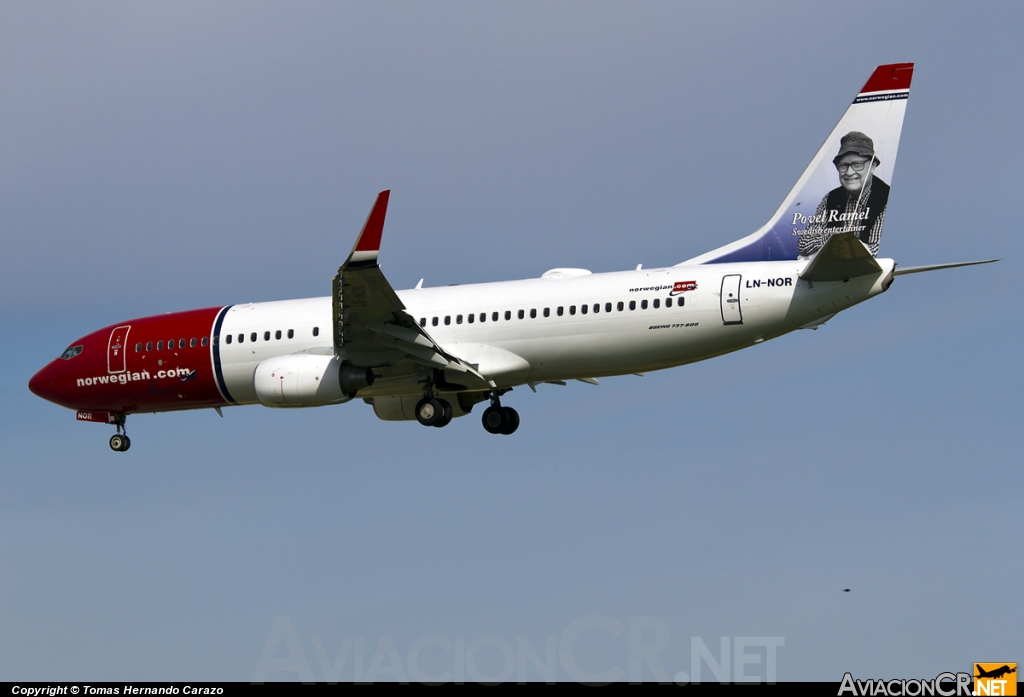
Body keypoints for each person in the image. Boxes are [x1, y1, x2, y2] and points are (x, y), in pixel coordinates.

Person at [797, 131, 890, 257]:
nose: (849, 172)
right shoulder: (831, 199)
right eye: (843, 166)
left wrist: (833, 242)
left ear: (873, 165)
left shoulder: (886, 198)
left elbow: (875, 250)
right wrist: (837, 238)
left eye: (857, 165)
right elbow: (804, 244)